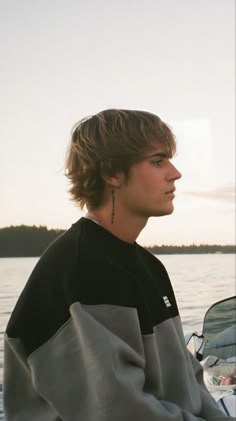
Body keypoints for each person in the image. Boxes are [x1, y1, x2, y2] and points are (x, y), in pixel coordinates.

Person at [3, 109, 234, 420]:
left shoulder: (148, 266)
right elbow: (120, 412)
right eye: (158, 161)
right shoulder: (83, 269)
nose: (175, 173)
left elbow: (190, 383)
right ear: (111, 172)